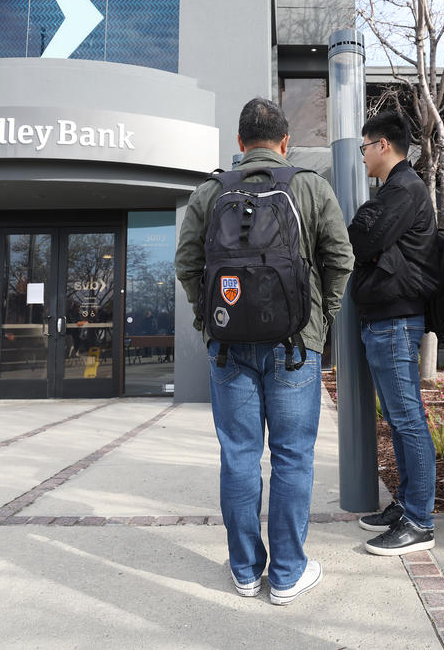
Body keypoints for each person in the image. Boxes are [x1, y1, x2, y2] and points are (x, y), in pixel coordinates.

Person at [175, 97, 354, 605]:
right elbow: (340, 259)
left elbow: (187, 266)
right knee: (293, 457)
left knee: (238, 457)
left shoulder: (209, 193)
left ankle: (246, 571)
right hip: (295, 344)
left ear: (239, 144)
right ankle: (287, 575)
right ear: (284, 143)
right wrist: (321, 320)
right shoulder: (310, 186)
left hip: (228, 345)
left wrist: (208, 322)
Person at [348, 110, 438, 556]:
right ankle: (406, 506)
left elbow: (359, 241)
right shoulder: (394, 190)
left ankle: (419, 521)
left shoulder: (404, 189)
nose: (362, 156)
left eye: (365, 147)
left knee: (407, 419)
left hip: (396, 320)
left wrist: (363, 221)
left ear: (383, 145)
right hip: (387, 318)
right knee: (399, 420)